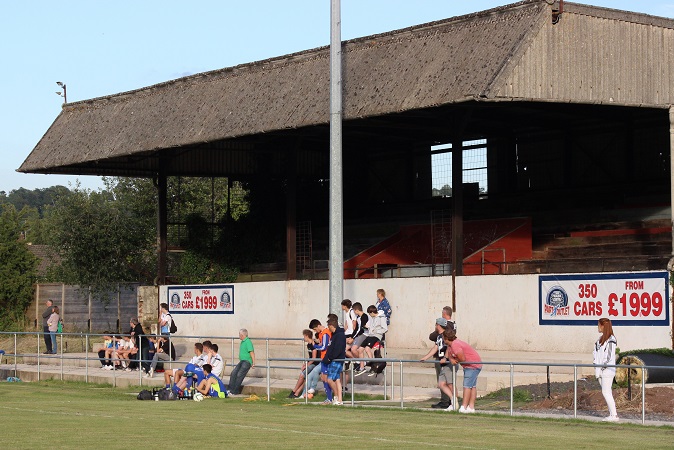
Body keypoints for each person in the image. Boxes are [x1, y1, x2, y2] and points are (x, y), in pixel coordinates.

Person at [443, 328, 482, 413]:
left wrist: (454, 360)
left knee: (467, 386)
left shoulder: (455, 345)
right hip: (470, 366)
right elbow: (450, 354)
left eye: (443, 337)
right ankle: (471, 407)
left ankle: (464, 407)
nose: (442, 339)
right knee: (472, 386)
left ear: (446, 338)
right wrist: (451, 359)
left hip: (473, 365)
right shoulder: (450, 345)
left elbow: (462, 358)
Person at [420, 317, 455, 410]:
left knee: (448, 383)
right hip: (440, 361)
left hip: (446, 362)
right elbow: (435, 348)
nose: (435, 326)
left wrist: (445, 357)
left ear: (438, 325)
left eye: (436, 325)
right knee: (442, 383)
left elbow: (449, 347)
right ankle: (446, 401)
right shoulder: (439, 336)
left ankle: (449, 401)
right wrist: (425, 357)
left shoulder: (445, 335)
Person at [428, 306, 456, 408]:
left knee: (444, 381)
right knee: (447, 382)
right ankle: (449, 400)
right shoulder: (452, 324)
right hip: (443, 356)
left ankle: (446, 401)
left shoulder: (447, 326)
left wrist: (445, 357)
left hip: (444, 357)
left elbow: (432, 336)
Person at [593, 317, 619, 422]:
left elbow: (608, 356)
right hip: (599, 370)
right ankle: (611, 414)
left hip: (607, 370)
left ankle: (614, 415)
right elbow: (595, 353)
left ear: (603, 326)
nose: (598, 327)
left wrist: (603, 367)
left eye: (599, 325)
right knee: (606, 392)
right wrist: (596, 365)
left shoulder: (611, 340)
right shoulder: (600, 340)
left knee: (606, 392)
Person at [354, 305, 387, 376]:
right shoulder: (373, 318)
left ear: (372, 312)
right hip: (370, 335)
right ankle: (362, 367)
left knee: (367, 348)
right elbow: (371, 327)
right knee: (360, 350)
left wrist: (375, 330)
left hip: (376, 335)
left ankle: (374, 366)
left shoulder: (381, 317)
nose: (369, 315)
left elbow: (385, 329)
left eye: (370, 313)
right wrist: (368, 327)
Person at [323, 317, 346, 405]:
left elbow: (338, 349)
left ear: (331, 326)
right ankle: (339, 400)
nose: (328, 329)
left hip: (336, 360)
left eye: (329, 327)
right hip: (334, 359)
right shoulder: (335, 335)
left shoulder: (339, 335)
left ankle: (336, 396)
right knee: (337, 380)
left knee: (329, 380)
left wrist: (330, 358)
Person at [288, 329, 318, 398]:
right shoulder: (308, 345)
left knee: (302, 375)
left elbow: (314, 358)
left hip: (315, 364)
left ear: (307, 336)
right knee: (304, 378)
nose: (303, 338)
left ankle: (294, 390)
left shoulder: (313, 344)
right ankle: (296, 393)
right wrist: (305, 364)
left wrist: (307, 365)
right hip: (311, 363)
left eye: (304, 336)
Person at [228, 329, 255, 395]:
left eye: (239, 334)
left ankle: (235, 391)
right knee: (234, 373)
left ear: (242, 335)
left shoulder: (248, 341)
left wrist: (253, 362)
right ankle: (230, 389)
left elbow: (251, 352)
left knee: (239, 374)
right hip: (242, 361)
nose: (239, 336)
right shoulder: (242, 342)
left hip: (247, 361)